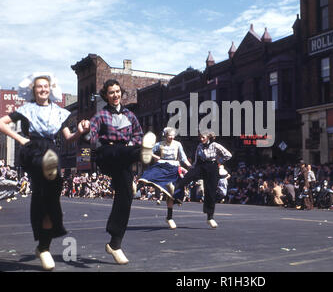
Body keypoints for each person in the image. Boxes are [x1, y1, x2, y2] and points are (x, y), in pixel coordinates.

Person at [0, 72, 90, 270]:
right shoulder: (26, 109)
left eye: (45, 86)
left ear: (51, 89)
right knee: (43, 183)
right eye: (39, 86)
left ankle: (43, 247)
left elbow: (68, 138)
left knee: (50, 200)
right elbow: (1, 123)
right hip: (33, 150)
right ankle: (45, 168)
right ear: (33, 90)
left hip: (52, 150)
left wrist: (81, 132)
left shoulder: (59, 112)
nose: (43, 89)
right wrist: (21, 139)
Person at [89, 79, 156, 264]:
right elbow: (92, 137)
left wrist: (134, 144)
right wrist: (88, 132)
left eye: (118, 91)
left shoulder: (129, 115)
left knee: (126, 197)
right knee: (122, 150)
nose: (115, 95)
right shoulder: (100, 115)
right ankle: (142, 152)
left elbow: (138, 134)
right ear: (106, 95)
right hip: (107, 154)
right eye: (111, 92)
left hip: (125, 157)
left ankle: (115, 244)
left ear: (121, 93)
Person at [173, 131, 232, 228]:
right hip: (200, 166)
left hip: (212, 167)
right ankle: (176, 195)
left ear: (208, 137)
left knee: (210, 192)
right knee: (186, 178)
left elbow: (228, 155)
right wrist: (192, 168)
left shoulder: (215, 145)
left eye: (203, 137)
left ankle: (210, 217)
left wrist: (219, 161)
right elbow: (196, 159)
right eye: (200, 137)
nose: (201, 139)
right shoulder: (199, 146)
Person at [137, 127, 192, 229]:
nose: (171, 137)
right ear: (165, 135)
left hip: (173, 168)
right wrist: (155, 156)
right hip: (162, 165)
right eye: (169, 135)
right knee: (148, 174)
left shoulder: (177, 144)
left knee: (171, 194)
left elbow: (183, 157)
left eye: (172, 135)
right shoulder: (160, 144)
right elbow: (147, 151)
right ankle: (135, 188)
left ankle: (169, 217)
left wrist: (190, 166)